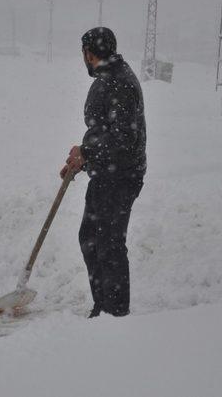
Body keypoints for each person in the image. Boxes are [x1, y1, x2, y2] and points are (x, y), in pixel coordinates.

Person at [60, 27, 146, 318]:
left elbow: (124, 139)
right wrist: (82, 153)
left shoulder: (119, 82)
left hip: (120, 177)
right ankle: (104, 306)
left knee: (108, 243)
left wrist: (88, 154)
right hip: (108, 173)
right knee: (92, 238)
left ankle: (114, 312)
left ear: (89, 53)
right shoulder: (110, 77)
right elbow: (103, 131)